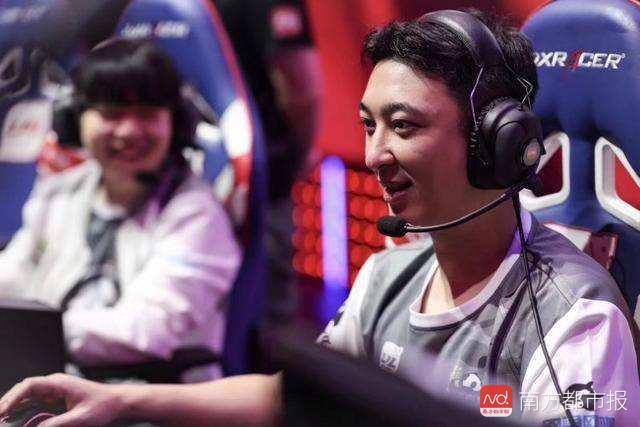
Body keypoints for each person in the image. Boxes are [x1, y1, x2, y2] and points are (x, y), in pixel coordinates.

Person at [1, 9, 638, 426]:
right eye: (368, 125)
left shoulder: (576, 320)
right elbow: (290, 397)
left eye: (403, 126)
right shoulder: (388, 276)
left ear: (493, 144)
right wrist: (120, 401)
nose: (375, 154)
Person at [0, 39, 241, 380]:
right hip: (53, 381)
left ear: (176, 125)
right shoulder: (59, 193)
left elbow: (146, 331)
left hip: (152, 397)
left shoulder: (197, 216)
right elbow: (14, 275)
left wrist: (28, 333)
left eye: (147, 115)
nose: (129, 131)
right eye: (111, 114)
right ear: (74, 120)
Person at [213, 0, 321, 322]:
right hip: (261, 177)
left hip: (198, 171)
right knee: (269, 317)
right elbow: (302, 89)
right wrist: (302, 153)